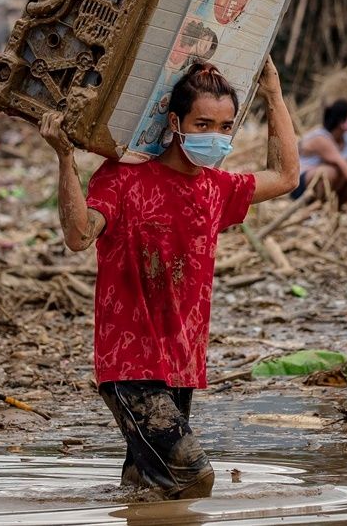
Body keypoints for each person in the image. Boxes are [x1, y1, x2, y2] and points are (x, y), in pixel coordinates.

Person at [39, 56, 299, 500]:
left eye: (224, 126)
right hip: (131, 365)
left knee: (149, 488)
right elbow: (79, 235)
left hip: (180, 363)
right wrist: (66, 159)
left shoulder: (216, 188)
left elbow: (286, 175)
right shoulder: (123, 178)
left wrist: (273, 93)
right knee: (194, 477)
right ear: (175, 122)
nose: (215, 137)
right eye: (203, 124)